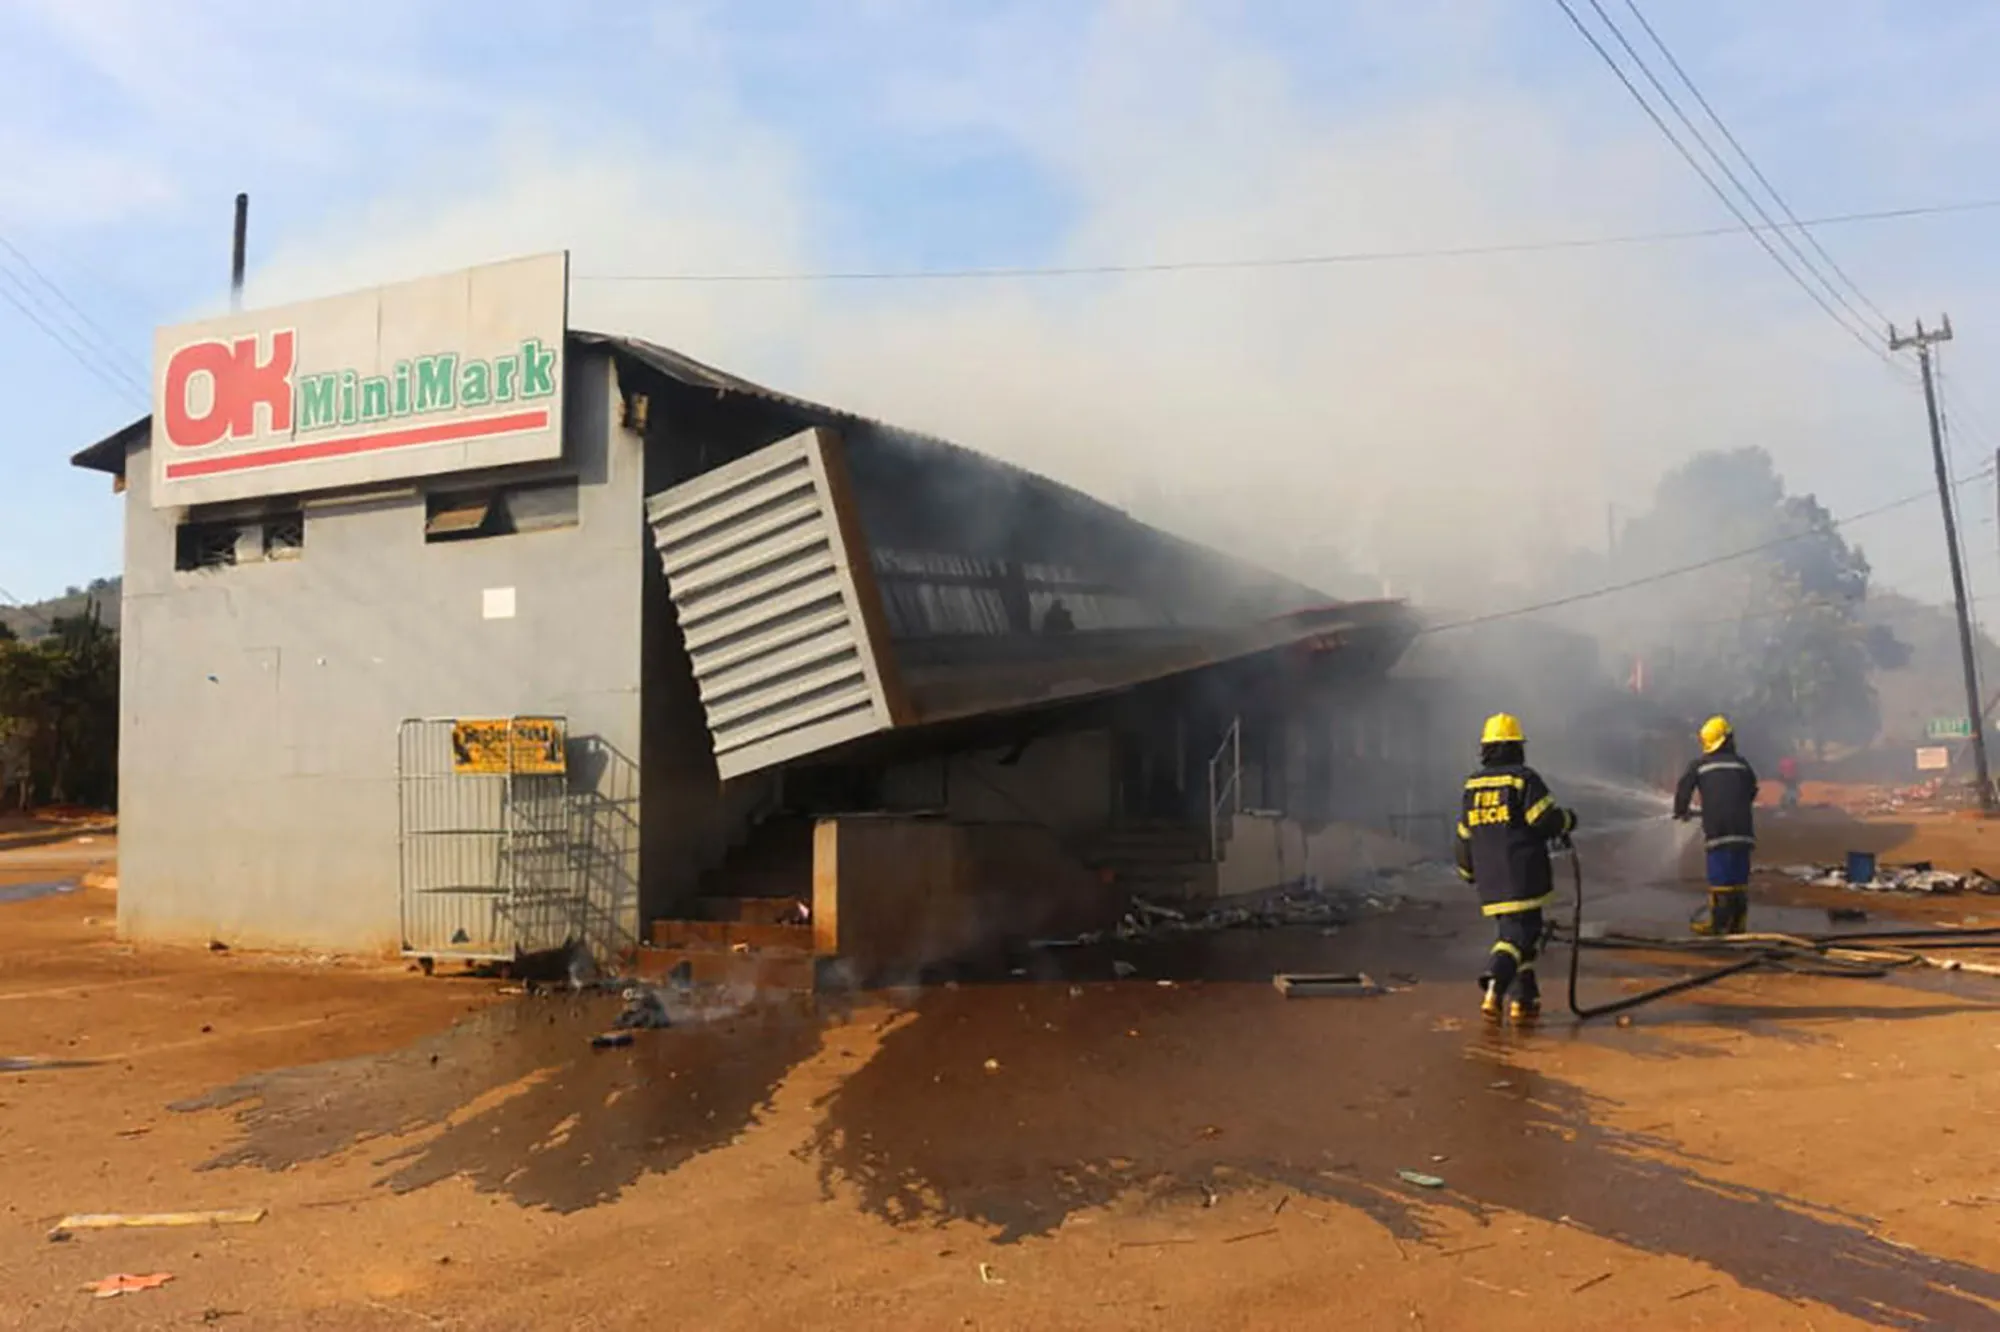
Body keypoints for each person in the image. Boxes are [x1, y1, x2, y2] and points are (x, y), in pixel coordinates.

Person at [1455, 713, 1579, 1023]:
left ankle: (1524, 999)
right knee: (1520, 936)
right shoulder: (1523, 779)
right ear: (1516, 746)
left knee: (1517, 934)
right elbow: (1543, 820)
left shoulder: (1473, 785)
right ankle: (1495, 982)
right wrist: (1568, 820)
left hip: (1490, 880)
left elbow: (1463, 835)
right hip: (1522, 875)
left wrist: (1468, 871)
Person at [1674, 715, 1759, 935]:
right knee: (1739, 879)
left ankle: (1718, 924)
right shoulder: (1742, 764)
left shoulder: (1700, 765)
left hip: (1718, 831)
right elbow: (1752, 790)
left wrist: (1681, 811)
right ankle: (1738, 924)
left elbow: (1684, 788)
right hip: (1743, 831)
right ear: (1728, 739)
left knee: (1720, 880)